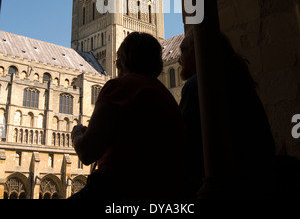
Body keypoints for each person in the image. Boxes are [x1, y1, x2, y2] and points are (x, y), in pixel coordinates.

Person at [69, 32, 187, 201]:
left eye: (117, 61)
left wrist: (77, 135)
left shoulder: (118, 88)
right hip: (163, 192)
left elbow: (87, 152)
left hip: (116, 188)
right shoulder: (166, 97)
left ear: (123, 61)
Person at [179, 30, 276, 198]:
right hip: (259, 179)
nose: (179, 59)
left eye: (183, 51)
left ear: (198, 51)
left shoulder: (198, 85)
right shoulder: (239, 79)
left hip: (226, 187)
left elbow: (183, 142)